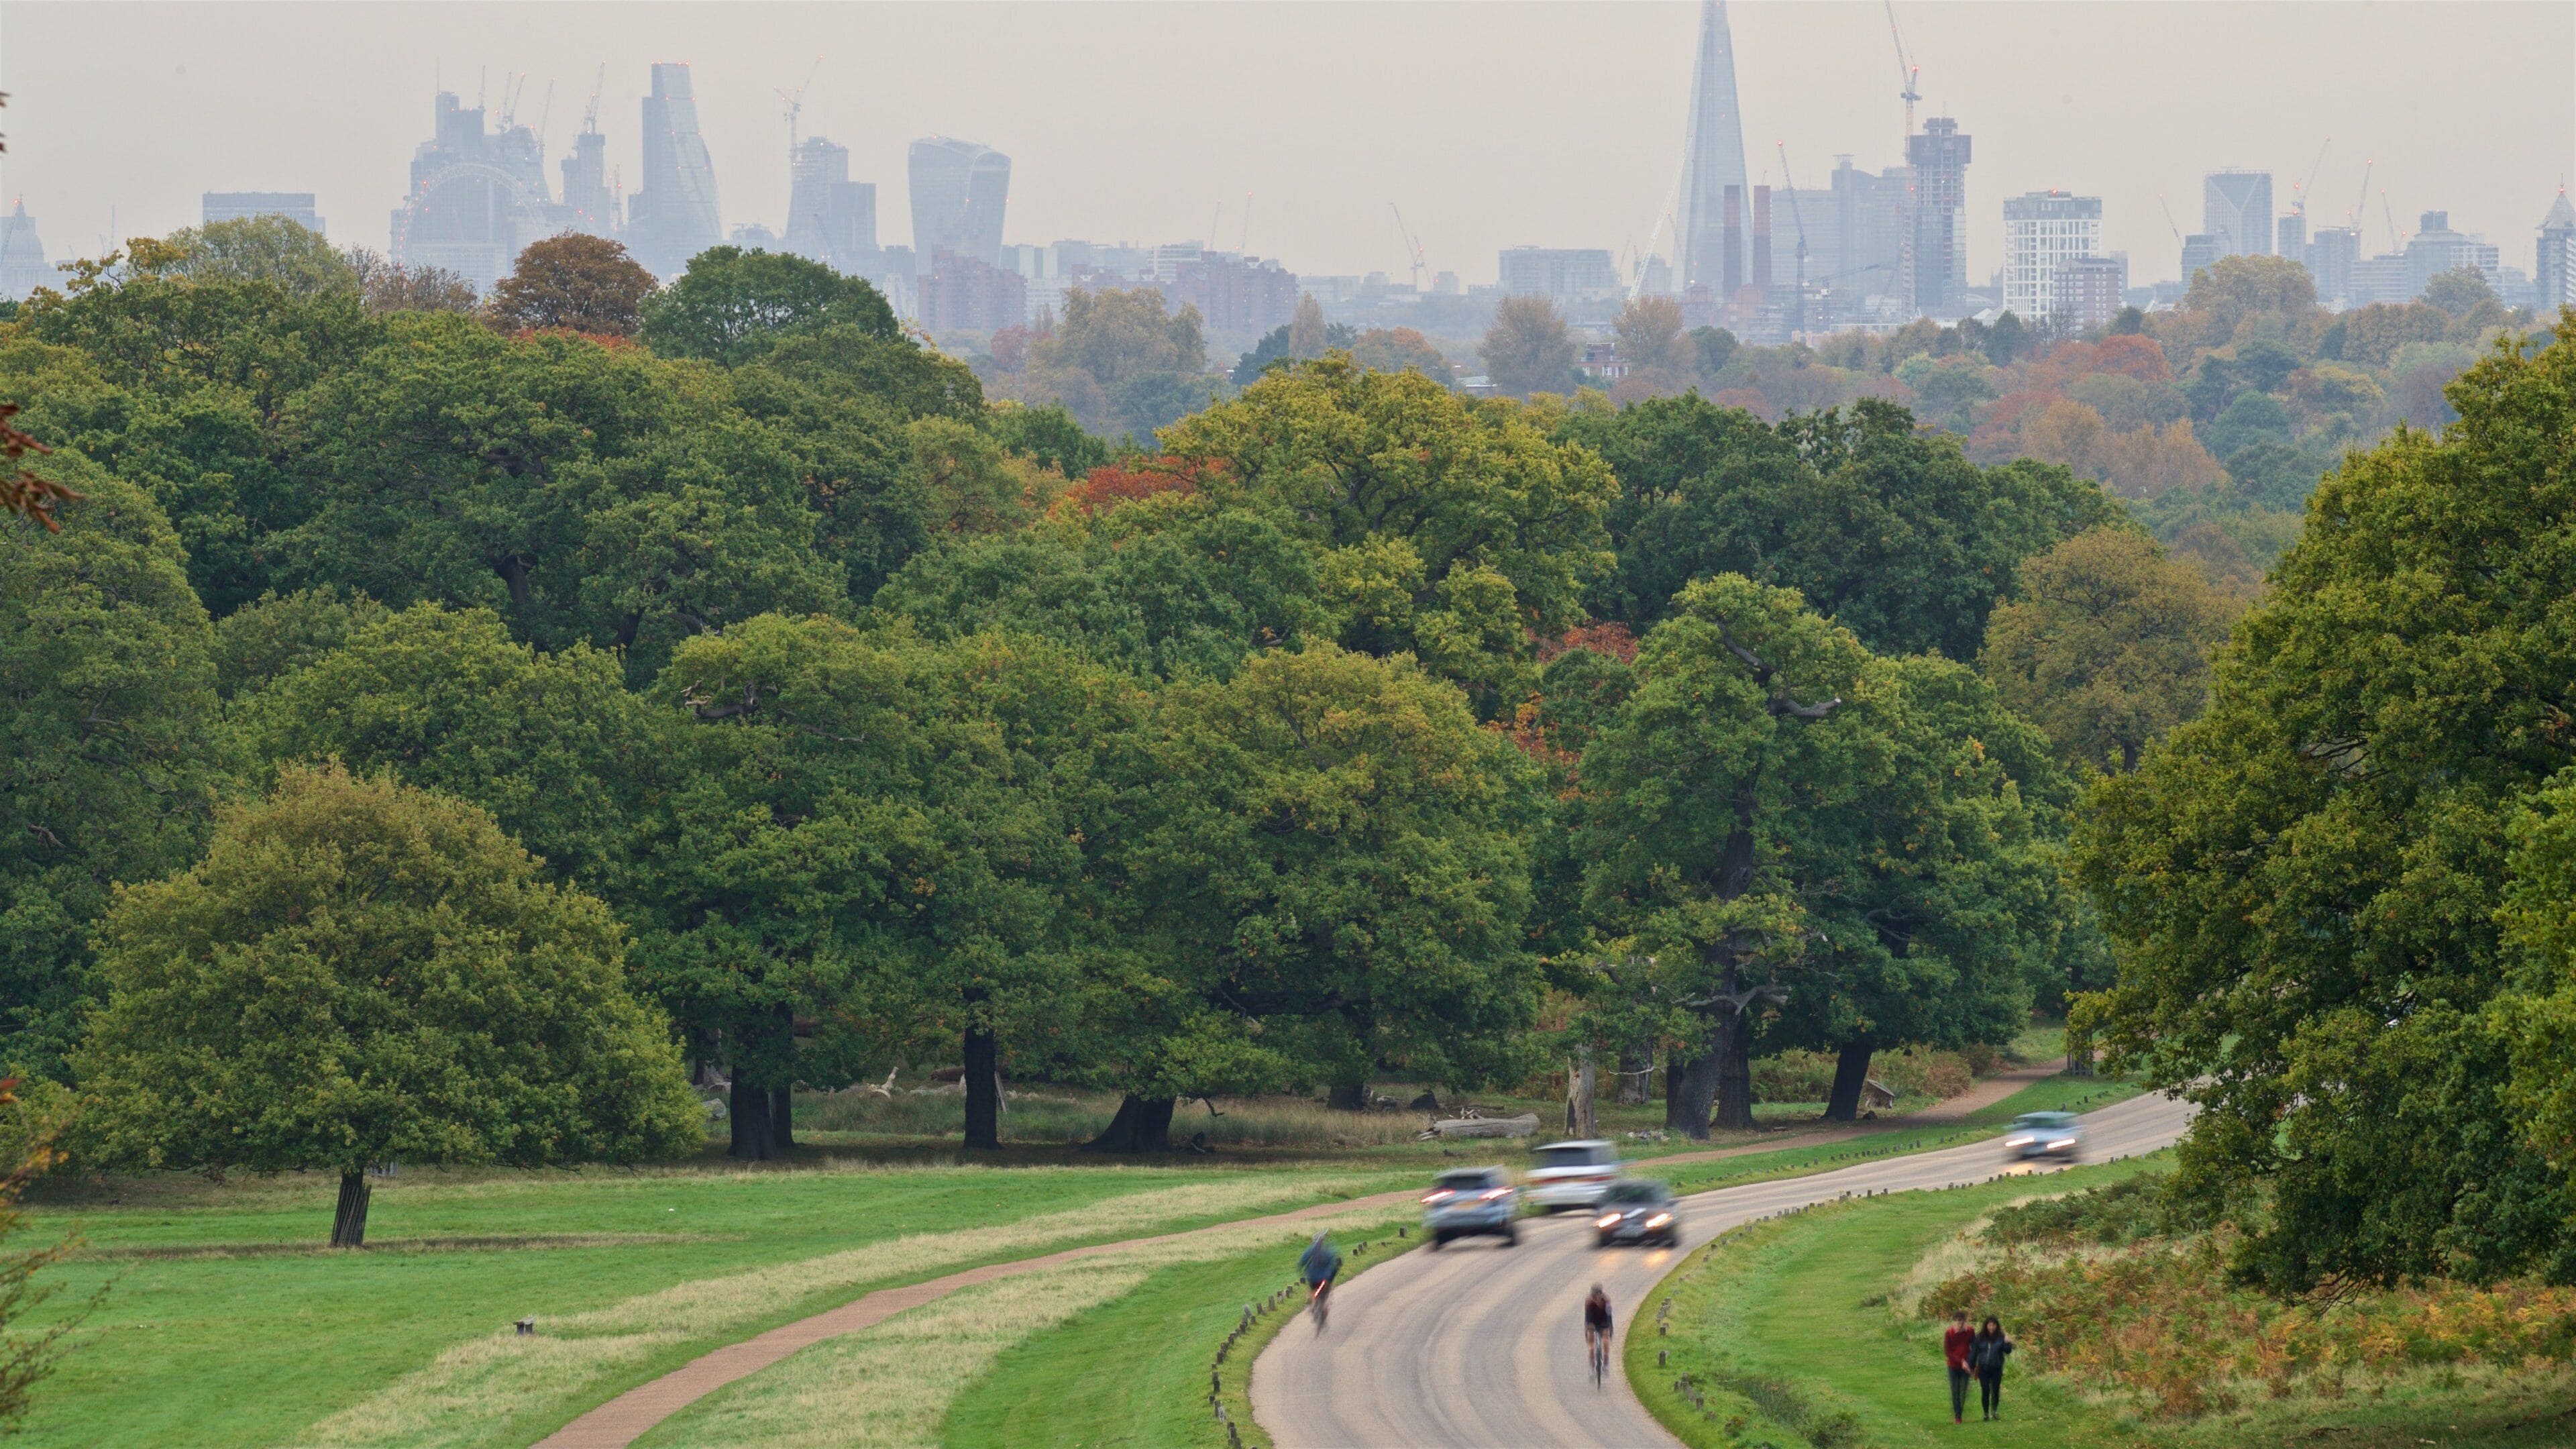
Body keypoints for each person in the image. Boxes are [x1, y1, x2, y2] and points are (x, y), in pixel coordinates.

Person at [1970, 1316, 2015, 1421]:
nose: (1991, 1327)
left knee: (1995, 1390)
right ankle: (1986, 1413)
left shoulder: (2001, 1337)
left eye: (1994, 1325)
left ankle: (1994, 1411)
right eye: (1989, 1325)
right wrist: (1971, 1367)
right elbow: (1974, 1352)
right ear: (1986, 1326)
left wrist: (2008, 1342)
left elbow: (2007, 1351)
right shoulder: (1979, 1337)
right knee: (1985, 1391)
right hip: (1983, 1369)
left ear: (1997, 1326)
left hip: (1996, 1368)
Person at [1299, 1231, 1343, 1328]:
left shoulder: (1310, 1251)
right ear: (1323, 1242)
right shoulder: (1328, 1252)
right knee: (1327, 1294)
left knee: (1312, 1291)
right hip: (1325, 1279)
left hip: (1313, 1278)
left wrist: (1301, 1270)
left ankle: (1312, 1303)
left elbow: (1302, 1261)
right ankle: (1324, 1306)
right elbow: (1335, 1264)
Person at [1942, 1309, 1975, 1423]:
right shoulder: (1949, 1333)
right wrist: (1961, 1361)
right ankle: (1958, 1416)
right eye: (1958, 1323)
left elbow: (1974, 1348)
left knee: (1963, 1391)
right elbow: (1947, 1352)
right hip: (1953, 1366)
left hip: (1966, 1367)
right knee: (1955, 1391)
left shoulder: (1970, 1331)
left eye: (1962, 1323)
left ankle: (1959, 1412)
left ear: (1965, 1322)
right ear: (1954, 1322)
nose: (1960, 1326)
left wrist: (1970, 1363)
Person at [1582, 1283, 1614, 1385]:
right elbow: (1587, 1317)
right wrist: (1587, 1329)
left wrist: (1610, 1327)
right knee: (1591, 1347)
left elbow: (1609, 1316)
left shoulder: (1607, 1301)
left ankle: (1606, 1362)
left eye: (1598, 1296)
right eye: (1594, 1296)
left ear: (1601, 1294)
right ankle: (1592, 1368)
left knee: (1605, 1340)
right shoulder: (1589, 1301)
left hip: (1603, 1322)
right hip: (1593, 1322)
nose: (1596, 1298)